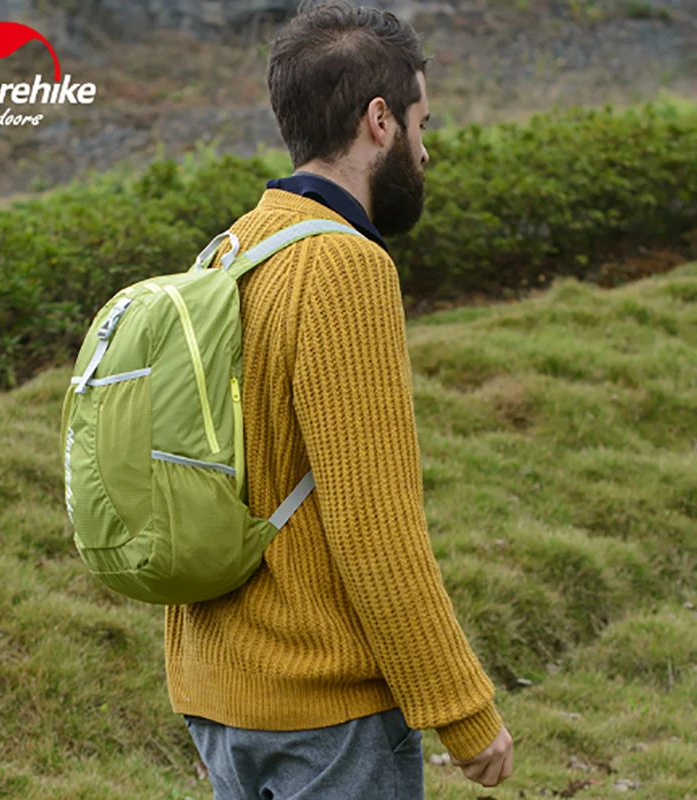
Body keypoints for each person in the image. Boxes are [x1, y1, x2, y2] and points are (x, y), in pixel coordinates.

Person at [164, 1, 513, 796]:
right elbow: (374, 525)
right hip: (323, 715)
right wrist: (464, 710)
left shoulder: (231, 248)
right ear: (380, 121)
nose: (426, 149)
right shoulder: (345, 267)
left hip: (218, 694)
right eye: (422, 124)